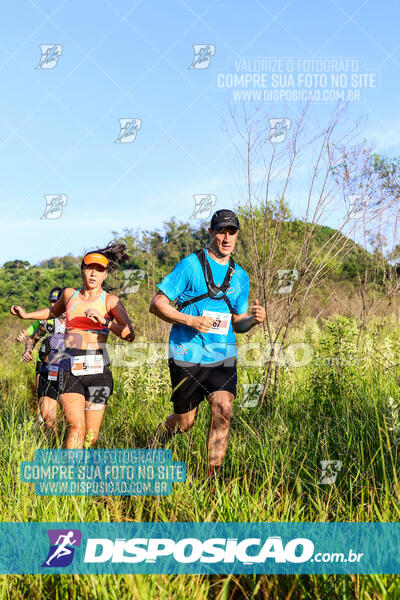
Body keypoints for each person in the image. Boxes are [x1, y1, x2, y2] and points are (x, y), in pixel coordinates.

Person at [149, 209, 266, 478]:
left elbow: (238, 322)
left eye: (232, 231)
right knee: (186, 422)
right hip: (186, 352)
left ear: (237, 235)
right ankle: (158, 439)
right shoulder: (189, 265)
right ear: (212, 232)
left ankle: (212, 479)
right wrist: (191, 321)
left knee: (223, 409)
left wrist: (253, 321)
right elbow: (157, 304)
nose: (227, 237)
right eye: (222, 230)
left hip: (222, 354)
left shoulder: (241, 276)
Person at [10, 243, 135, 449]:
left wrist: (106, 322)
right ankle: (69, 479)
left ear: (105, 274)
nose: (93, 274)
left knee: (91, 436)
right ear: (82, 270)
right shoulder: (70, 295)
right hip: (69, 367)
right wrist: (26, 315)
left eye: (99, 270)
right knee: (76, 426)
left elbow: (129, 335)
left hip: (99, 373)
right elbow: (51, 313)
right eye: (89, 268)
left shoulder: (111, 301)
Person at [21, 286, 66, 431]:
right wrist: (28, 351)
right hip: (50, 368)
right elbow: (32, 339)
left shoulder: (77, 320)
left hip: (71, 372)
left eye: (57, 301)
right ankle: (53, 443)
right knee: (47, 416)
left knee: (69, 416)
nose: (54, 305)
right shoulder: (48, 321)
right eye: (52, 301)